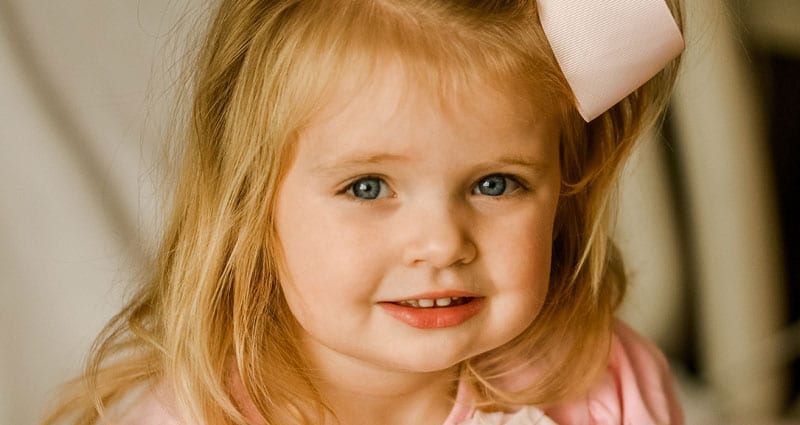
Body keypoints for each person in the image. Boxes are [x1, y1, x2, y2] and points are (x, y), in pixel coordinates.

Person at [44, 0, 686, 424]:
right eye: (369, 187)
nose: (440, 245)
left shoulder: (603, 388)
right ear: (250, 205)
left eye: (495, 184)